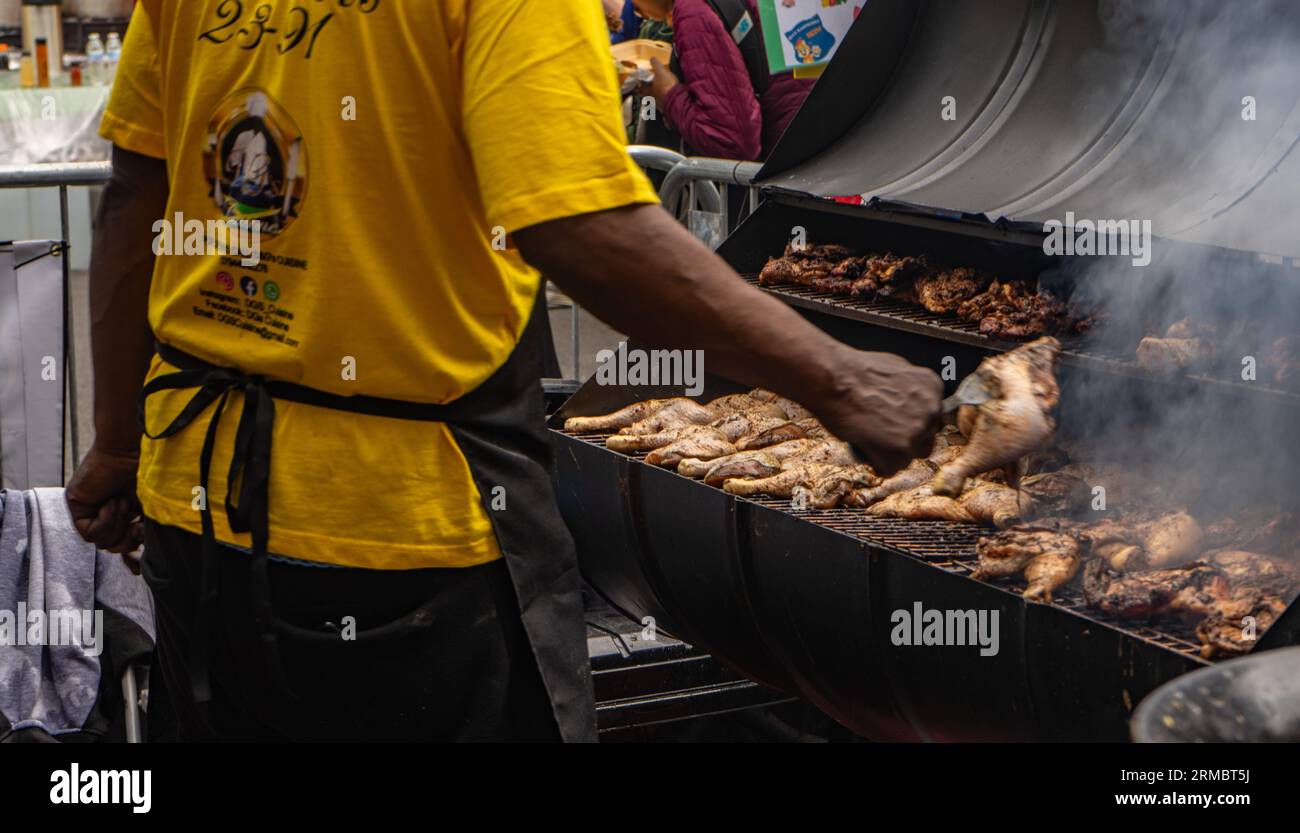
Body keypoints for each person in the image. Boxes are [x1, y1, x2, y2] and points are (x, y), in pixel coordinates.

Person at [66, 0, 940, 742]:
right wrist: (841, 380)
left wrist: (114, 444)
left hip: (194, 510)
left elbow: (136, 192)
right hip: (407, 546)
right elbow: (583, 226)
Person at [633, 0, 815, 160]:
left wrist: (667, 94)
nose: (636, 10)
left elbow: (733, 142)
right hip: (825, 152)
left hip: (791, 174)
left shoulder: (693, 10)